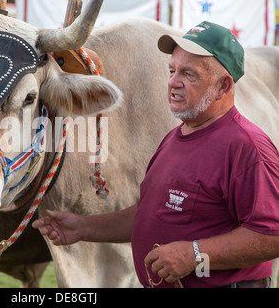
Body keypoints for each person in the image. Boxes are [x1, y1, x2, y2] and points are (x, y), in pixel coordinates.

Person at [32, 21, 279, 288]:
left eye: (189, 74)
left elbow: (271, 235)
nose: (173, 82)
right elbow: (152, 213)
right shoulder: (176, 137)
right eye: (172, 70)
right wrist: (84, 228)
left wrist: (193, 255)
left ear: (223, 86)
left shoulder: (247, 147)